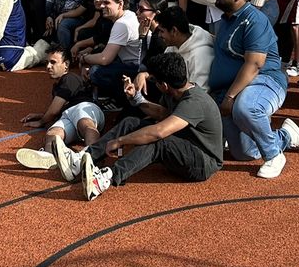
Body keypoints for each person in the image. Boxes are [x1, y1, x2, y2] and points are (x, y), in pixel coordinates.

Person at [52, 52, 227, 201]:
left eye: (155, 80)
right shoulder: (176, 91)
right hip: (185, 144)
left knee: (159, 141)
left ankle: (106, 178)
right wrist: (136, 98)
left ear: (164, 85)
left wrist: (120, 141)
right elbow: (162, 114)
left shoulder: (195, 102)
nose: (152, 82)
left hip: (203, 162)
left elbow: (159, 132)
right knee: (131, 122)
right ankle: (82, 159)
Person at [210, 0, 299, 178]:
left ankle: (274, 155)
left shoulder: (254, 19)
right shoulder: (225, 21)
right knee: (244, 153)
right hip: (234, 87)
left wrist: (230, 97)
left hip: (266, 81)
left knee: (246, 109)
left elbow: (255, 64)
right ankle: (285, 136)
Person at [15, 46, 106, 170]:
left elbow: (54, 110)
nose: (48, 66)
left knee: (84, 123)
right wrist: (42, 115)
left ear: (66, 64)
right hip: (68, 115)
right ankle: (49, 156)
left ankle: (93, 157)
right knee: (53, 133)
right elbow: (56, 110)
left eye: (53, 62)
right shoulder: (57, 86)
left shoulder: (69, 78)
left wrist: (41, 121)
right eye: (47, 62)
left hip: (85, 107)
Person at [77, 0, 143, 100]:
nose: (102, 6)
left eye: (107, 3)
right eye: (102, 2)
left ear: (120, 4)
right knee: (96, 54)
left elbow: (105, 59)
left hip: (134, 67)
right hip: (134, 62)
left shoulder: (122, 24)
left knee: (96, 72)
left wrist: (84, 59)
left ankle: (118, 99)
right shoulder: (129, 15)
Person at [155, 4, 214, 87]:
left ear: (174, 31)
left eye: (162, 31)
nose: (159, 35)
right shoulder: (172, 46)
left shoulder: (200, 56)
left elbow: (200, 93)